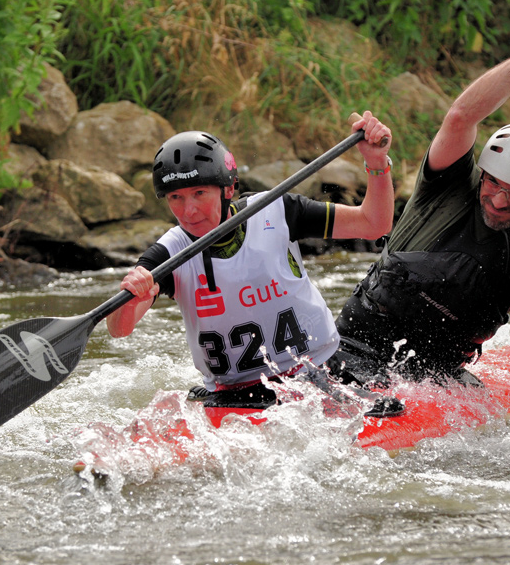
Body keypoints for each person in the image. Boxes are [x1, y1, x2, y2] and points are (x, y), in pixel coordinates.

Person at [329, 14, 510, 388]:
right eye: (493, 183)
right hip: (356, 348)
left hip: (438, 379)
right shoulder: (449, 183)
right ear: (482, 172)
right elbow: (461, 116)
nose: (499, 200)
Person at [107, 113, 396, 410]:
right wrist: (131, 299)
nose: (189, 210)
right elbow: (119, 329)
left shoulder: (276, 210)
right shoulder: (169, 252)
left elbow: (373, 224)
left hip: (317, 372)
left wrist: (376, 164)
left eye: (199, 193)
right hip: (235, 395)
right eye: (176, 197)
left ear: (228, 189)